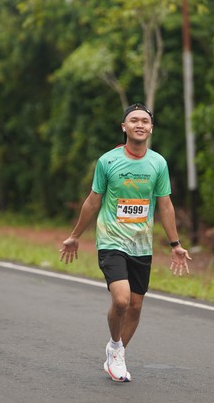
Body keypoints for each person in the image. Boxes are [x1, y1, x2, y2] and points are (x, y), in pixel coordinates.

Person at [60, 103, 192, 382]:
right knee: (121, 300)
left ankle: (116, 352)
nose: (139, 124)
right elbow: (93, 201)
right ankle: (116, 345)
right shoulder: (107, 161)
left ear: (151, 128)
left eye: (145, 120)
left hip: (141, 244)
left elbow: (165, 204)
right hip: (111, 240)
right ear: (124, 127)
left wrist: (175, 244)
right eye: (134, 120)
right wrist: (75, 236)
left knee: (135, 305)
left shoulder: (158, 163)